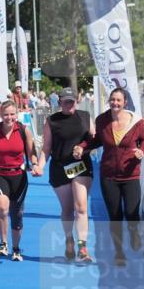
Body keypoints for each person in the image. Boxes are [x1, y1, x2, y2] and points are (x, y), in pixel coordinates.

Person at [75, 87, 144, 265]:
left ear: (125, 102)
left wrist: (142, 151)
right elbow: (97, 140)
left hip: (130, 174)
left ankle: (134, 231)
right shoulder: (102, 120)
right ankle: (119, 253)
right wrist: (82, 147)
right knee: (115, 216)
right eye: (112, 100)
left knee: (131, 213)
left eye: (118, 100)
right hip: (108, 175)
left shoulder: (136, 122)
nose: (115, 103)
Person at [0, 100, 42, 262]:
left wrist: (35, 165)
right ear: (0, 115)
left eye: (12, 114)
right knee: (2, 207)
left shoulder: (23, 130)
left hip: (18, 176)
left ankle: (16, 248)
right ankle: (3, 243)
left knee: (17, 214)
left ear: (17, 114)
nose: (9, 117)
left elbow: (32, 152)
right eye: (6, 114)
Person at [39, 89, 95, 263]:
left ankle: (82, 247)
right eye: (66, 101)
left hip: (81, 166)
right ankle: (69, 239)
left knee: (81, 207)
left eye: (72, 101)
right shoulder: (52, 121)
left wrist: (83, 148)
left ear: (76, 101)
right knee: (67, 209)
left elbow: (94, 139)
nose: (69, 104)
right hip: (60, 168)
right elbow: (46, 148)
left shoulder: (85, 116)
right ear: (60, 102)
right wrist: (40, 165)